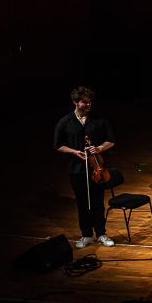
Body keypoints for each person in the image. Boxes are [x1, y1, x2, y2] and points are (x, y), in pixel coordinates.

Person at [53, 86, 116, 249]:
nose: (88, 105)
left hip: (97, 168)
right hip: (77, 169)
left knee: (98, 202)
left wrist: (100, 148)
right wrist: (74, 152)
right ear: (75, 102)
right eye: (84, 102)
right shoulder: (65, 122)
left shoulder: (99, 120)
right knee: (82, 203)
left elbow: (111, 140)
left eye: (90, 103)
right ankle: (86, 234)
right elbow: (58, 145)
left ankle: (101, 233)